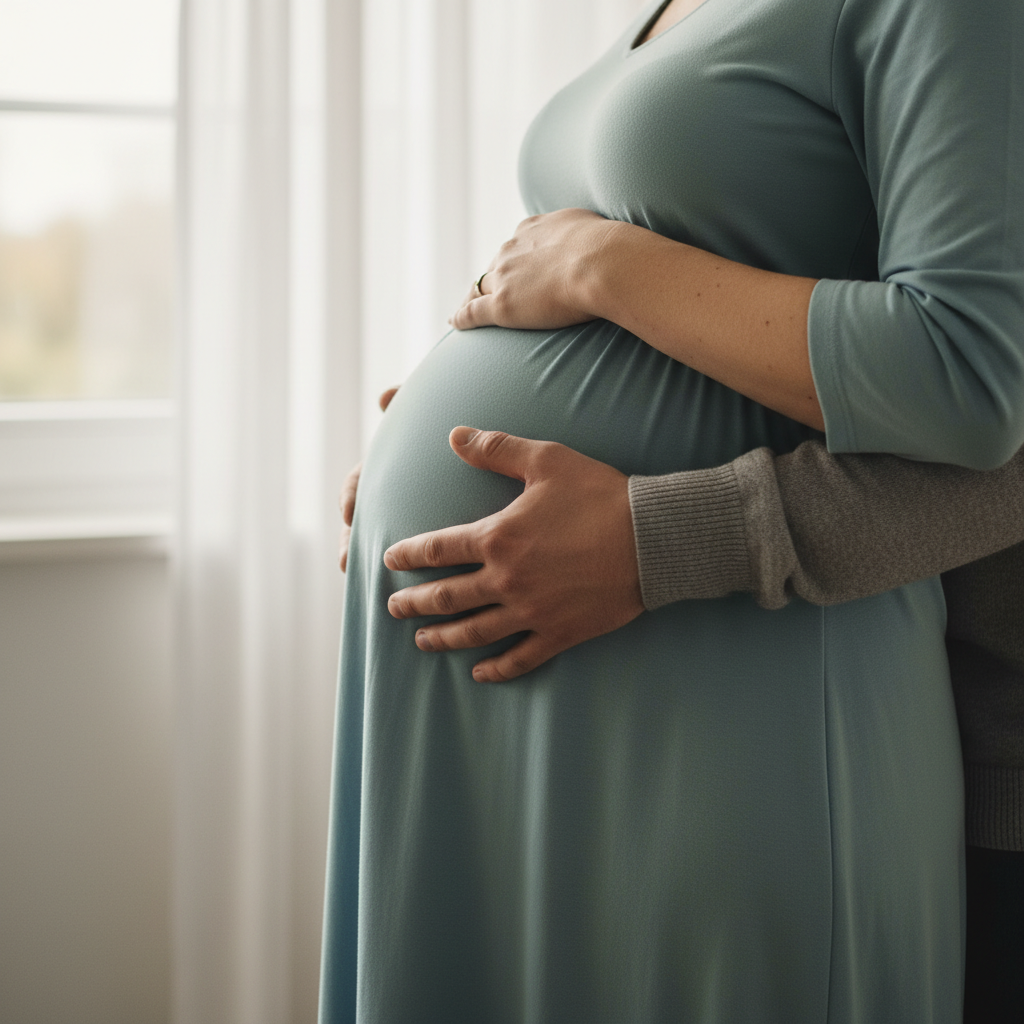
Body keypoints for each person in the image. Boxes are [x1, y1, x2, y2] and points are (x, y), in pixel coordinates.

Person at [319, 0, 1024, 1020]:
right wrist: (425, 439)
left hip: (739, 670)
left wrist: (600, 268)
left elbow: (969, 381)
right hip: (535, 684)